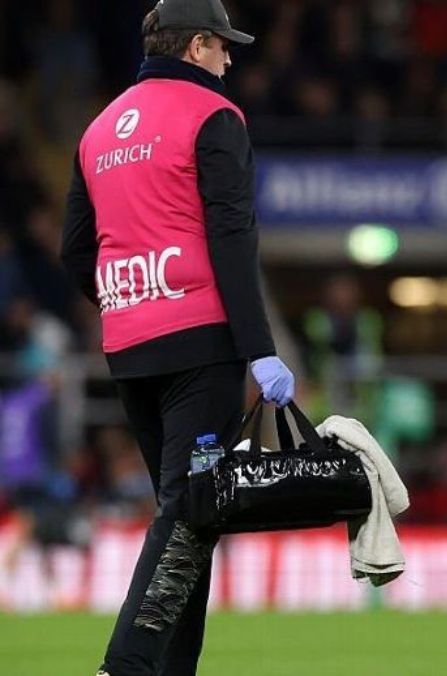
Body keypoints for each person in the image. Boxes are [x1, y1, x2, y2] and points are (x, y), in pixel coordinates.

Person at [59, 2, 294, 674]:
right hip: (201, 345)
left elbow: (75, 251)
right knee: (190, 515)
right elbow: (231, 235)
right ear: (196, 45)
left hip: (129, 345)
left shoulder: (99, 130)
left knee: (192, 517)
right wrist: (259, 348)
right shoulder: (211, 116)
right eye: (224, 47)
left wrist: (128, 300)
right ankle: (125, 666)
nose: (230, 59)